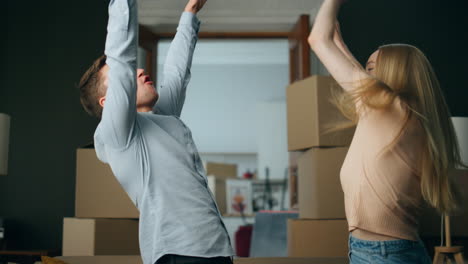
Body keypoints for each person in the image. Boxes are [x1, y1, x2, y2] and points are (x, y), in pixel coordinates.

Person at [77, 0, 234, 263]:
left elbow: (177, 72)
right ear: (110, 101)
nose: (139, 71)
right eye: (123, 78)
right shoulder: (120, 135)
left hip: (216, 249)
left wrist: (190, 12)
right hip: (179, 254)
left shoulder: (162, 118)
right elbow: (121, 56)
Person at [308, 0, 465, 263]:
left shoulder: (392, 108)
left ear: (396, 72)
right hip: (382, 251)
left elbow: (317, 40)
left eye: (371, 69)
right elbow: (330, 44)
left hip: (382, 255)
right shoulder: (400, 113)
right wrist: (341, 43)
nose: (363, 75)